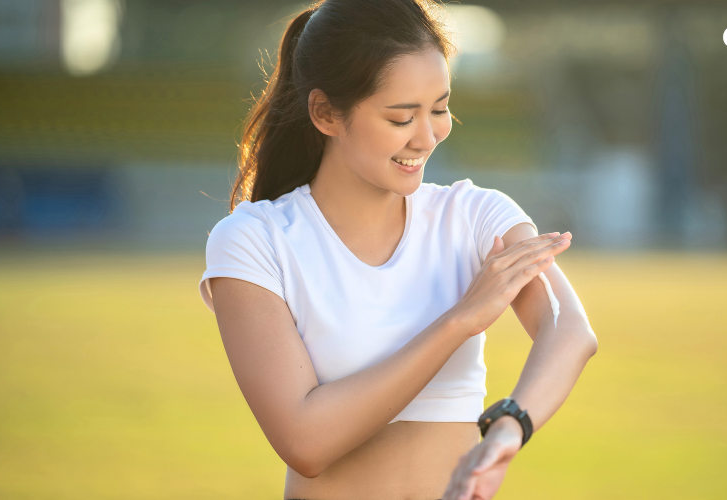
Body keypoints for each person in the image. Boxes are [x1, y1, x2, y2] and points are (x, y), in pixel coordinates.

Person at [197, 0, 598, 498]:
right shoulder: (255, 240)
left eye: (440, 108)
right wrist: (460, 320)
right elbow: (305, 441)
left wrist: (509, 425)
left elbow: (570, 332)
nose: (428, 136)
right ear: (325, 113)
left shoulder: (474, 215)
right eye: (402, 117)